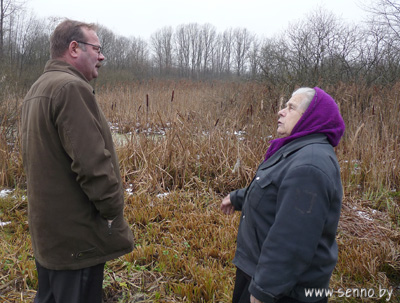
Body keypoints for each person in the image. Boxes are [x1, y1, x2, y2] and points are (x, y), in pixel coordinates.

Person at [21, 19, 134, 303]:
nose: (102, 56)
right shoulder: (71, 89)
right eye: (97, 48)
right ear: (74, 48)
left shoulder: (38, 88)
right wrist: (112, 211)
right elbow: (92, 165)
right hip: (77, 240)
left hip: (51, 237)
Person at [221, 87, 345, 303]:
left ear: (311, 117)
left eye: (291, 107)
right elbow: (275, 191)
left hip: (284, 293)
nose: (281, 111)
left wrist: (263, 292)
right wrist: (237, 197)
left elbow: (292, 240)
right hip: (257, 273)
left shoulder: (310, 165)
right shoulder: (296, 150)